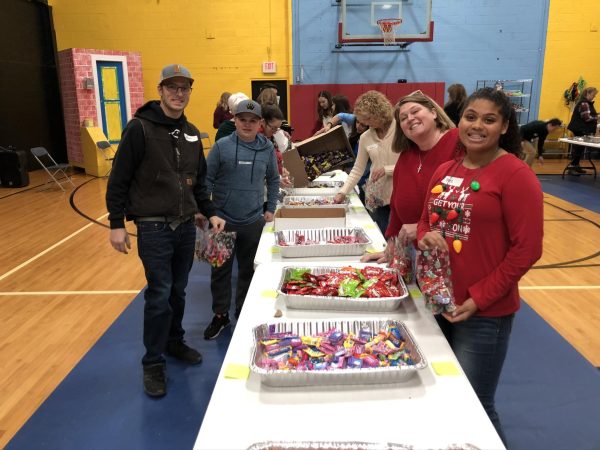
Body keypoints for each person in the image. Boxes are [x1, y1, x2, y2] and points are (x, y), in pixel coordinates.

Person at [417, 87, 543, 444]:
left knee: (475, 406)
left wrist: (479, 297)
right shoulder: (445, 168)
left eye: (489, 120)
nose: (477, 126)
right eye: (470, 117)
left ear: (504, 127)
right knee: (441, 396)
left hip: (483, 314)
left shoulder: (515, 175)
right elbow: (425, 220)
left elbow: (528, 249)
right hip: (438, 304)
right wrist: (425, 236)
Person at [106, 64, 226, 398]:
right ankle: (153, 362)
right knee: (159, 294)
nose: (178, 93)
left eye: (184, 88)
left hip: (186, 226)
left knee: (179, 291)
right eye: (172, 88)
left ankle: (174, 342)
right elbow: (119, 180)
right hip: (153, 227)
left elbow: (198, 181)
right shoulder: (139, 128)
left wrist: (210, 212)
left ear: (189, 92)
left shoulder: (190, 132)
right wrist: (116, 223)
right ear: (160, 90)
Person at [204, 100, 280, 340]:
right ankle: (220, 316)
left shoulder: (267, 148)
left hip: (253, 220)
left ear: (260, 123)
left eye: (252, 120)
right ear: (234, 120)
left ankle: (243, 312)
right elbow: (205, 180)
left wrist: (271, 207)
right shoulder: (220, 147)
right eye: (242, 119)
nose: (247, 125)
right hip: (221, 220)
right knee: (219, 272)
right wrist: (207, 211)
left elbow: (274, 179)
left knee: (249, 270)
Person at [333, 90, 398, 233]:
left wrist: (387, 170)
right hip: (377, 196)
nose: (363, 123)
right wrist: (342, 192)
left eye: (367, 119)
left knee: (401, 243)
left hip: (400, 195)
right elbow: (357, 169)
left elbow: (412, 164)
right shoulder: (366, 137)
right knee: (382, 237)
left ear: (379, 114)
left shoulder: (400, 129)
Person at [567, 86, 598, 173]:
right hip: (580, 128)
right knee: (578, 148)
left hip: (581, 128)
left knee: (579, 149)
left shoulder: (586, 103)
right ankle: (572, 167)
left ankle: (576, 166)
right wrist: (597, 117)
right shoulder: (584, 103)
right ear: (588, 93)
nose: (594, 96)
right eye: (593, 95)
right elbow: (587, 118)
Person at [261, 104, 292, 188]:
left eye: (277, 128)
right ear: (263, 122)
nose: (275, 132)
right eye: (273, 128)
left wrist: (281, 169)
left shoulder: (271, 136)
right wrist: (277, 180)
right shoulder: (257, 141)